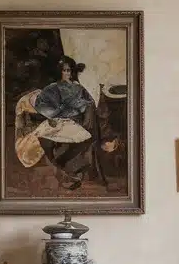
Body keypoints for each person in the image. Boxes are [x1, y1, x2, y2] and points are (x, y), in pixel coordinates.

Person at [14, 56, 120, 190]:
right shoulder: (51, 90)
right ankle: (74, 173)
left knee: (84, 137)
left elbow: (98, 111)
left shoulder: (84, 89)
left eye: (69, 70)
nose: (67, 73)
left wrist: (108, 137)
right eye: (64, 71)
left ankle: (80, 173)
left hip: (81, 127)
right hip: (65, 125)